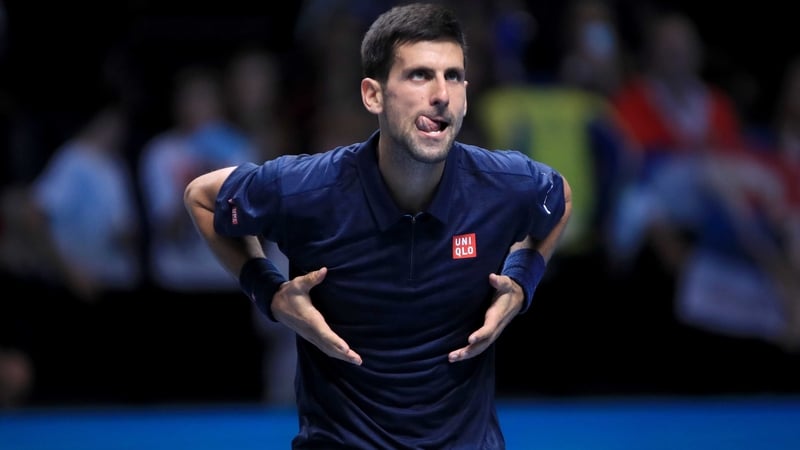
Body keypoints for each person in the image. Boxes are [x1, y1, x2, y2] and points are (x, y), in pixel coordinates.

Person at [184, 3, 572, 448]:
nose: (442, 94)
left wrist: (523, 282)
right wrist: (268, 293)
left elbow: (558, 197)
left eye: (454, 76)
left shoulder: (504, 183)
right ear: (373, 95)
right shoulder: (307, 188)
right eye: (420, 75)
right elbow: (202, 196)